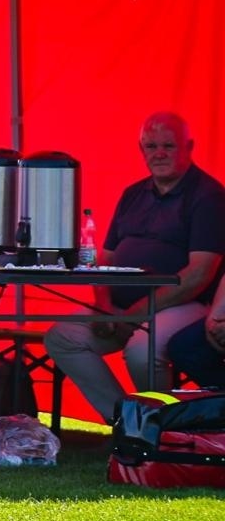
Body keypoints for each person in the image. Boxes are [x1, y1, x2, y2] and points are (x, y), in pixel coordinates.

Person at [44, 112, 225, 421]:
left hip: (184, 304)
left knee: (142, 351)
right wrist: (104, 306)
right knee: (62, 337)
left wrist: (138, 311)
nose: (159, 154)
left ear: (189, 147)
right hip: (122, 310)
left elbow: (199, 274)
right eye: (151, 146)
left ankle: (165, 430)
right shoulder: (133, 194)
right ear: (141, 150)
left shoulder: (208, 196)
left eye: (168, 145)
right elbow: (106, 260)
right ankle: (124, 422)